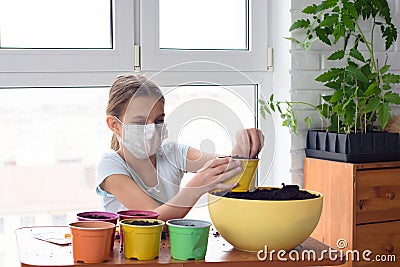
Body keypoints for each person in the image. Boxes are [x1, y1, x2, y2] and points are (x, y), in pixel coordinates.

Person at [96, 74, 264, 221]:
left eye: (158, 121)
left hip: (171, 252)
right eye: (140, 122)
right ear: (114, 125)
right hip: (126, 255)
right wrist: (196, 187)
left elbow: (228, 167)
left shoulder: (172, 153)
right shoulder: (110, 165)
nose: (152, 129)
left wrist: (244, 147)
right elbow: (153, 219)